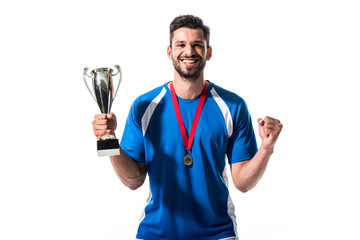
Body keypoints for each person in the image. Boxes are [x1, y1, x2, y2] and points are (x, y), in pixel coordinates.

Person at [92, 15, 282, 240]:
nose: (188, 51)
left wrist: (266, 148)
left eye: (197, 45)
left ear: (209, 52)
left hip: (217, 233)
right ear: (169, 52)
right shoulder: (145, 106)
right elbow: (134, 180)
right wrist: (108, 138)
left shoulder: (232, 106)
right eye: (181, 45)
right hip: (155, 232)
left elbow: (242, 183)